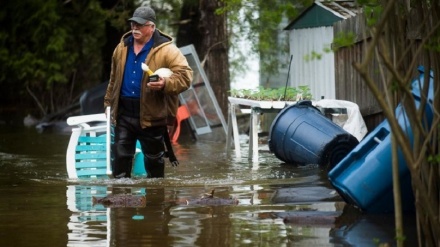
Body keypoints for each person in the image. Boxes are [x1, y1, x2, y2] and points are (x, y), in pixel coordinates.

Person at [104, 6, 193, 178]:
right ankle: (120, 200)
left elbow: (186, 77)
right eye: (132, 24)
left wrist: (165, 83)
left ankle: (155, 201)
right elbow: (113, 79)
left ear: (151, 27)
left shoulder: (168, 50)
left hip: (153, 115)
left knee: (154, 163)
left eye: (139, 25)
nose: (134, 28)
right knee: (120, 159)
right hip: (124, 113)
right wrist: (108, 104)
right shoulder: (121, 48)